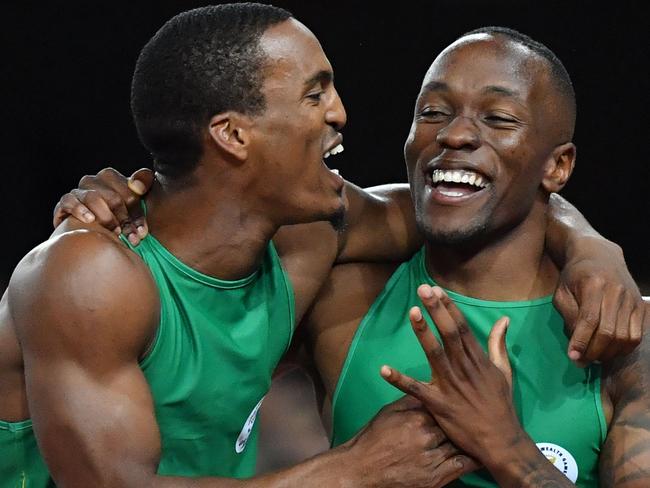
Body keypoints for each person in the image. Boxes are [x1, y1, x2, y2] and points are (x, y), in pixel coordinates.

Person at [7, 3, 642, 486]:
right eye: (315, 93)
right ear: (232, 135)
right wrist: (351, 470)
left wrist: (591, 246)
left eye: (499, 118)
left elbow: (477, 201)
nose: (340, 113)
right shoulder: (93, 275)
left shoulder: (305, 249)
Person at [301, 27, 650, 486]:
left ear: (557, 166)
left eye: (499, 118)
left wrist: (503, 444)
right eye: (433, 111)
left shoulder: (624, 339)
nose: (455, 134)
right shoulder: (342, 295)